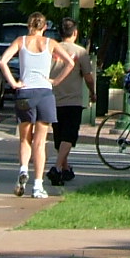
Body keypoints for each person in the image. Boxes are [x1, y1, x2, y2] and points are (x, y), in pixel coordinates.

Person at [0, 13, 75, 198]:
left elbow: (2, 61)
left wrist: (14, 82)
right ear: (45, 27)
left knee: (25, 139)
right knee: (40, 143)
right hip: (44, 93)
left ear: (28, 25)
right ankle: (37, 185)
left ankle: (23, 169)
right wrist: (56, 81)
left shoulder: (21, 41)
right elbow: (70, 62)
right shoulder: (50, 43)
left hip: (25, 93)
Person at [47, 17, 96, 187]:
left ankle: (65, 168)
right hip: (73, 100)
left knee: (59, 136)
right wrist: (92, 92)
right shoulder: (80, 52)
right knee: (69, 136)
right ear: (75, 33)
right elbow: (88, 77)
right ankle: (57, 168)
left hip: (53, 99)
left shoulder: (52, 49)